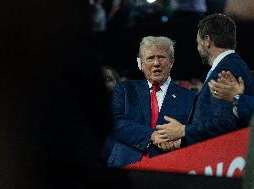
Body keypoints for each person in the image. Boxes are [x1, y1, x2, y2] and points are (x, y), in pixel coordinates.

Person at [156, 13, 254, 146]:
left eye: (198, 43)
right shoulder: (234, 65)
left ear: (207, 41)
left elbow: (226, 123)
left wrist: (183, 130)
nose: (197, 48)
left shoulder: (224, 72)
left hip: (220, 160)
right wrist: (182, 140)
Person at [105, 36, 195, 167]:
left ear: (172, 62)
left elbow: (196, 131)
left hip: (168, 168)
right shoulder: (125, 89)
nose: (156, 63)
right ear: (141, 64)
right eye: (150, 58)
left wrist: (181, 141)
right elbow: (114, 122)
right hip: (124, 167)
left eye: (162, 57)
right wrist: (152, 135)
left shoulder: (189, 97)